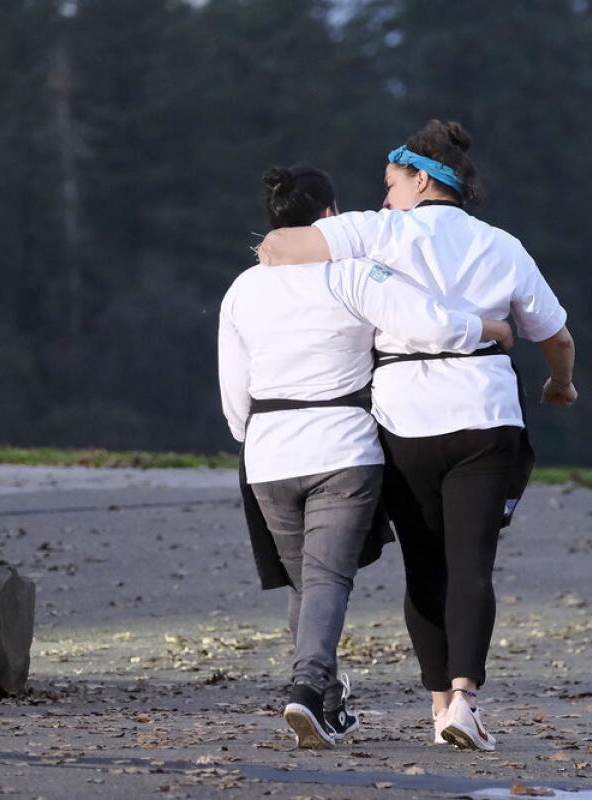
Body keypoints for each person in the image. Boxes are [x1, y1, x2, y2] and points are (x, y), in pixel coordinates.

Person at [257, 121, 577, 751]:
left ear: (421, 179)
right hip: (484, 416)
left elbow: (278, 245)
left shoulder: (377, 233)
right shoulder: (504, 245)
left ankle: (437, 708)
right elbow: (557, 338)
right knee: (472, 565)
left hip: (404, 422)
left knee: (424, 566)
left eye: (390, 185)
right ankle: (463, 701)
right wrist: (560, 385)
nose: (383, 199)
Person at [219, 164, 514, 750]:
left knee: (307, 583)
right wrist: (489, 328)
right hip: (341, 446)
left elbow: (234, 391)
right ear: (330, 218)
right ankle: (305, 691)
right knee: (326, 579)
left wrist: (252, 440)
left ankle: (326, 703)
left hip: (269, 452)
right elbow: (429, 325)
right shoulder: (352, 275)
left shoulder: (242, 288)